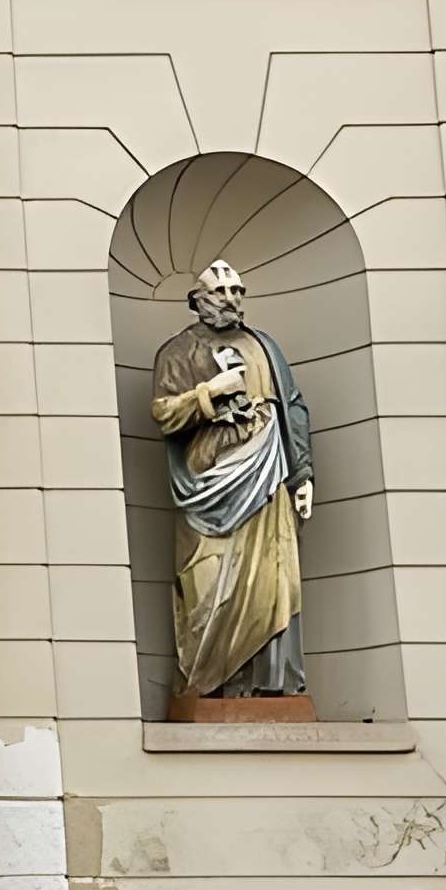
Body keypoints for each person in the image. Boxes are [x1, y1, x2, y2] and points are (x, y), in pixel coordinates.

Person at [149, 257, 313, 703]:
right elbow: (163, 412)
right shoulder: (177, 351)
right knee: (209, 587)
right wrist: (211, 393)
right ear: (198, 300)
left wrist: (302, 473)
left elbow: (292, 406)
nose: (230, 298)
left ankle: (270, 684)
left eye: (236, 291)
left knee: (273, 580)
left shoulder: (264, 346)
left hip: (268, 475)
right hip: (210, 483)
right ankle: (208, 682)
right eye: (220, 291)